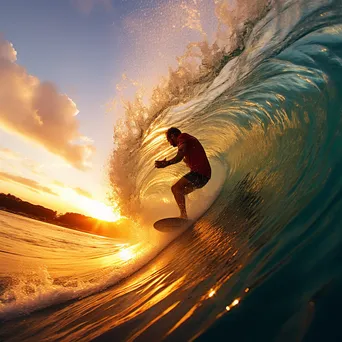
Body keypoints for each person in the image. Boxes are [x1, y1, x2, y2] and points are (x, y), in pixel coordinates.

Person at [155, 127, 211, 219]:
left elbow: (180, 155)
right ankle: (192, 209)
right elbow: (187, 159)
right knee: (180, 192)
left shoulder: (182, 137)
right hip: (205, 176)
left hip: (200, 173)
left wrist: (166, 163)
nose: (170, 143)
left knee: (175, 188)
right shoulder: (188, 142)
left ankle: (183, 215)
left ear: (173, 136)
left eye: (169, 140)